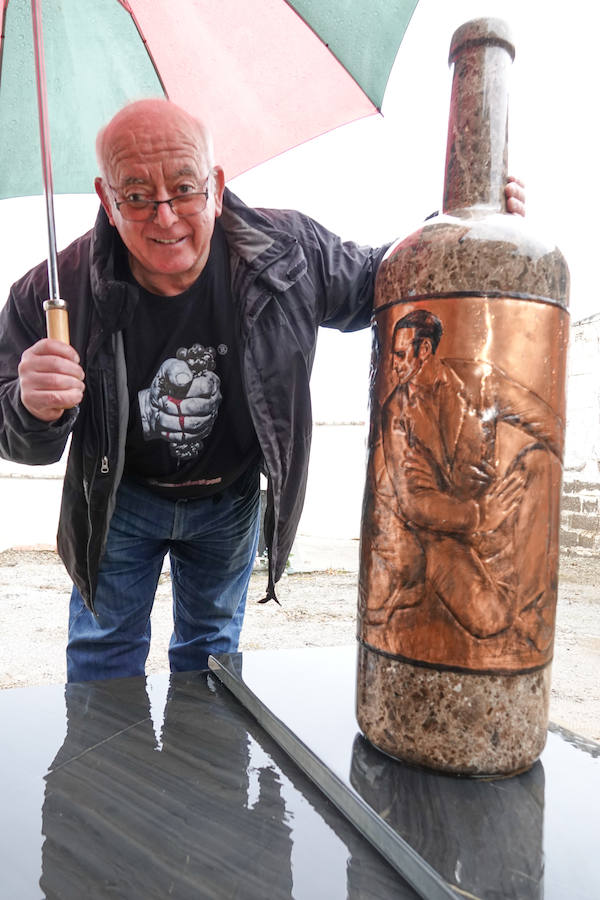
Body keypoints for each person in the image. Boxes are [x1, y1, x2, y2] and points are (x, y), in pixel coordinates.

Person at [0, 99, 526, 682]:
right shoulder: (56, 289)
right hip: (121, 500)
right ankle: (104, 776)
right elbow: (18, 438)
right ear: (107, 199)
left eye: (184, 188)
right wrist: (31, 406)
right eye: (137, 196)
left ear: (217, 185)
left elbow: (388, 282)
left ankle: (205, 774)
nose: (166, 217)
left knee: (211, 656)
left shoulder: (288, 253)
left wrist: (460, 230)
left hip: (230, 501)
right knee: (104, 652)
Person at [360, 308, 562, 669]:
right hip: (439, 534)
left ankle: (532, 616)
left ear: (425, 351)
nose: (394, 365)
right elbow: (416, 502)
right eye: (392, 355)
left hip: (488, 519)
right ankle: (415, 584)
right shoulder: (396, 412)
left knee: (540, 462)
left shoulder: (476, 380)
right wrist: (481, 515)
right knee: (490, 618)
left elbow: (542, 420)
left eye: (402, 354)